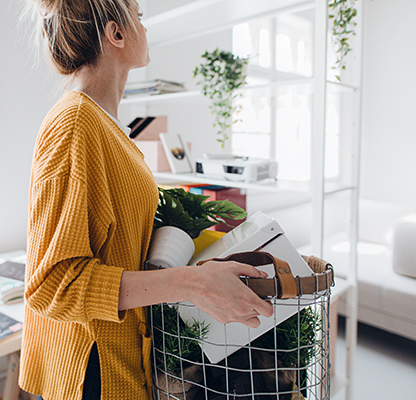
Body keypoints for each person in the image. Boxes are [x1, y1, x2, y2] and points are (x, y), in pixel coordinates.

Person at [19, 1, 274, 399]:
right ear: (115, 34)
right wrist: (192, 284)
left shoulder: (107, 125)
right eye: (137, 15)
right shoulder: (75, 124)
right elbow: (52, 285)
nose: (144, 24)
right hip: (93, 372)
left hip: (121, 359)